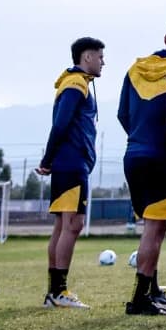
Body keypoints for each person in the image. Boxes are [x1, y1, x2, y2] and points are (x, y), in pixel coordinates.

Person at [117, 20, 166, 315]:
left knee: (151, 225)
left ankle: (153, 290)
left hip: (134, 155)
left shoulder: (135, 69)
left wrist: (140, 138)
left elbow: (123, 114)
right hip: (162, 157)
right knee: (155, 228)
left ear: (165, 38)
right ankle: (139, 300)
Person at [37, 36, 105, 309]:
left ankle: (53, 292)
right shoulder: (76, 84)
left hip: (68, 163)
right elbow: (61, 123)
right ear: (86, 57)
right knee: (73, 226)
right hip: (72, 164)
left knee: (62, 227)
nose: (103, 62)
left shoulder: (74, 83)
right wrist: (48, 158)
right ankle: (59, 292)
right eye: (100, 56)